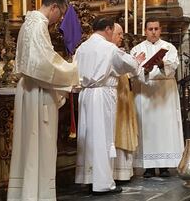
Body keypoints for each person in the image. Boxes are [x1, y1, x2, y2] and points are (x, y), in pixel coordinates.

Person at [7, 0, 79, 201]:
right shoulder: (38, 25)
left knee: (29, 145)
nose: (60, 20)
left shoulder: (28, 23)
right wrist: (73, 70)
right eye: (61, 14)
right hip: (37, 92)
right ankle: (35, 195)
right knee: (38, 144)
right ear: (54, 7)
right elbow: (44, 64)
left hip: (30, 89)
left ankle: (28, 193)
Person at [75, 17, 145, 194]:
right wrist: (137, 60)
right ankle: (103, 183)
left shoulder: (82, 48)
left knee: (88, 136)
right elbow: (128, 64)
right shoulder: (108, 48)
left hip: (85, 94)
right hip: (102, 93)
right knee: (103, 137)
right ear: (107, 29)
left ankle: (89, 179)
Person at [130, 17, 184, 178]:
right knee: (147, 128)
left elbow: (173, 66)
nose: (153, 32)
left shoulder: (169, 47)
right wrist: (146, 70)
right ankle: (148, 167)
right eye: (150, 29)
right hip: (145, 92)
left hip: (165, 91)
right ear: (145, 31)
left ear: (160, 30)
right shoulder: (137, 49)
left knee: (166, 126)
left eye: (156, 29)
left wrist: (161, 64)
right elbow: (133, 71)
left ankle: (166, 165)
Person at [111, 23, 139, 181]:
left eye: (122, 34)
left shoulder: (119, 52)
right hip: (116, 97)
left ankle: (125, 171)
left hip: (125, 96)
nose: (122, 37)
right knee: (117, 131)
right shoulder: (110, 51)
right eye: (119, 34)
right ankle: (117, 172)